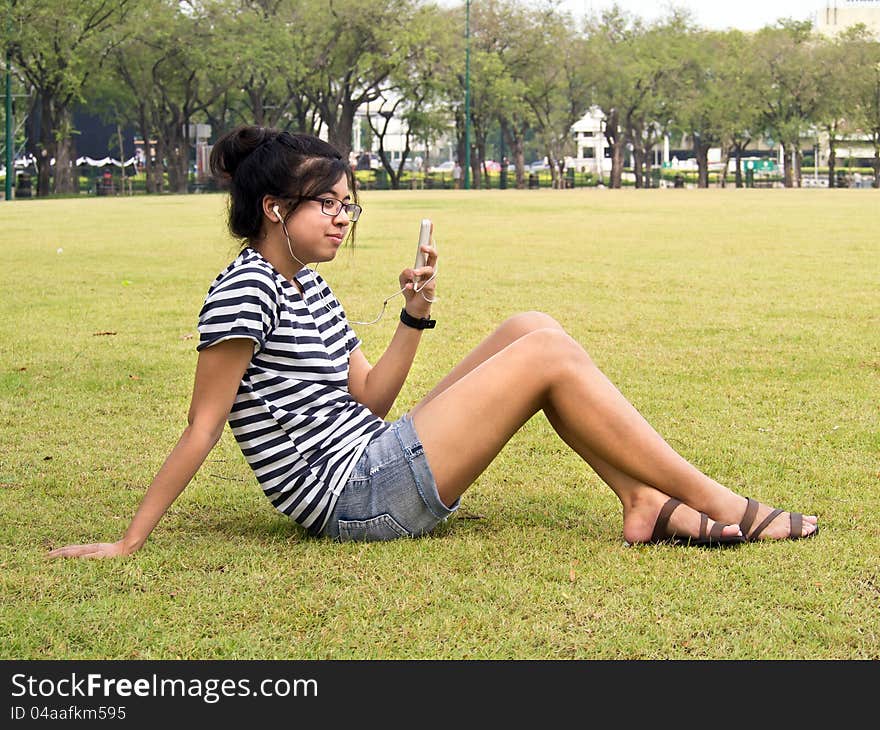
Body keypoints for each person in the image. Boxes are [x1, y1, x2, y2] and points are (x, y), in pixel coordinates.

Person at [48, 125, 818, 559]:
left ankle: (642, 500)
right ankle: (716, 501)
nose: (345, 220)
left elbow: (370, 397)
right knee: (546, 357)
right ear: (276, 209)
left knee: (533, 329)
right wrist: (127, 542)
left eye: (350, 205)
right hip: (353, 501)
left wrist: (413, 315)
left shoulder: (305, 283)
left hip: (373, 458)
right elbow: (203, 426)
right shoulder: (245, 289)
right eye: (330, 206)